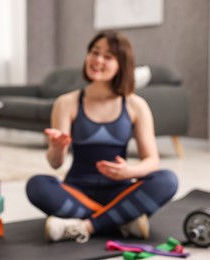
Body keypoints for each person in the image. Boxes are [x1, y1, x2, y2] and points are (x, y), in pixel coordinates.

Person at [25, 30, 178, 244]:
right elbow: (55, 163)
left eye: (108, 56)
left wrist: (129, 171)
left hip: (120, 190)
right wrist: (57, 148)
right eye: (94, 53)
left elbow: (151, 160)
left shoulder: (136, 105)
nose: (98, 60)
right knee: (37, 185)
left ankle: (85, 225)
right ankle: (123, 219)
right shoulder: (66, 103)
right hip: (77, 190)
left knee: (167, 180)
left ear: (121, 64)